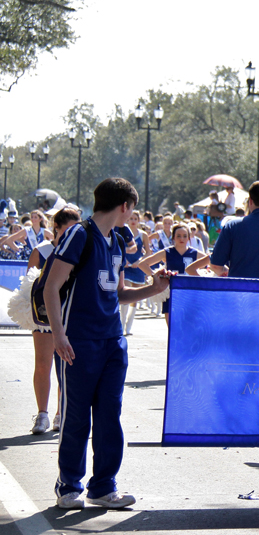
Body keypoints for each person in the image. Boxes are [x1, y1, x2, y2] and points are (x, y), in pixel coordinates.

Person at [45, 178, 170, 509]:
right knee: (76, 418)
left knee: (108, 416)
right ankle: (68, 485)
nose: (133, 219)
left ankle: (102, 486)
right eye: (133, 211)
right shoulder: (78, 234)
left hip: (112, 341)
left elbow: (118, 294)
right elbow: (50, 286)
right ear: (124, 206)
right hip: (79, 341)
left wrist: (153, 289)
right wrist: (59, 335)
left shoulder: (115, 241)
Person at [28, 207, 81, 434]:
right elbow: (30, 285)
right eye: (65, 230)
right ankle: (42, 415)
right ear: (55, 229)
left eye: (74, 230)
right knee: (43, 364)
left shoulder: (81, 251)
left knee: (66, 365)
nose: (70, 234)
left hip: (72, 315)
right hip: (44, 316)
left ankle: (61, 413)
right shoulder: (42, 251)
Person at [136, 224, 208, 326]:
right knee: (172, 328)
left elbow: (213, 264)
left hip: (189, 293)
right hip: (172, 293)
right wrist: (157, 276)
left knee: (189, 326)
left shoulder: (195, 253)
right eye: (178, 236)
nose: (181, 238)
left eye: (184, 236)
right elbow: (142, 264)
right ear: (173, 237)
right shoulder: (167, 252)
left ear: (188, 237)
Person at [120, 211, 151, 336]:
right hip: (125, 268)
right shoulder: (122, 232)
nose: (133, 221)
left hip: (138, 269)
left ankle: (129, 326)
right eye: (131, 218)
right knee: (125, 294)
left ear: (139, 221)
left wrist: (139, 261)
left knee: (135, 298)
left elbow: (148, 252)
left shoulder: (143, 235)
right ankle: (121, 325)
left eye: (135, 219)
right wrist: (124, 260)